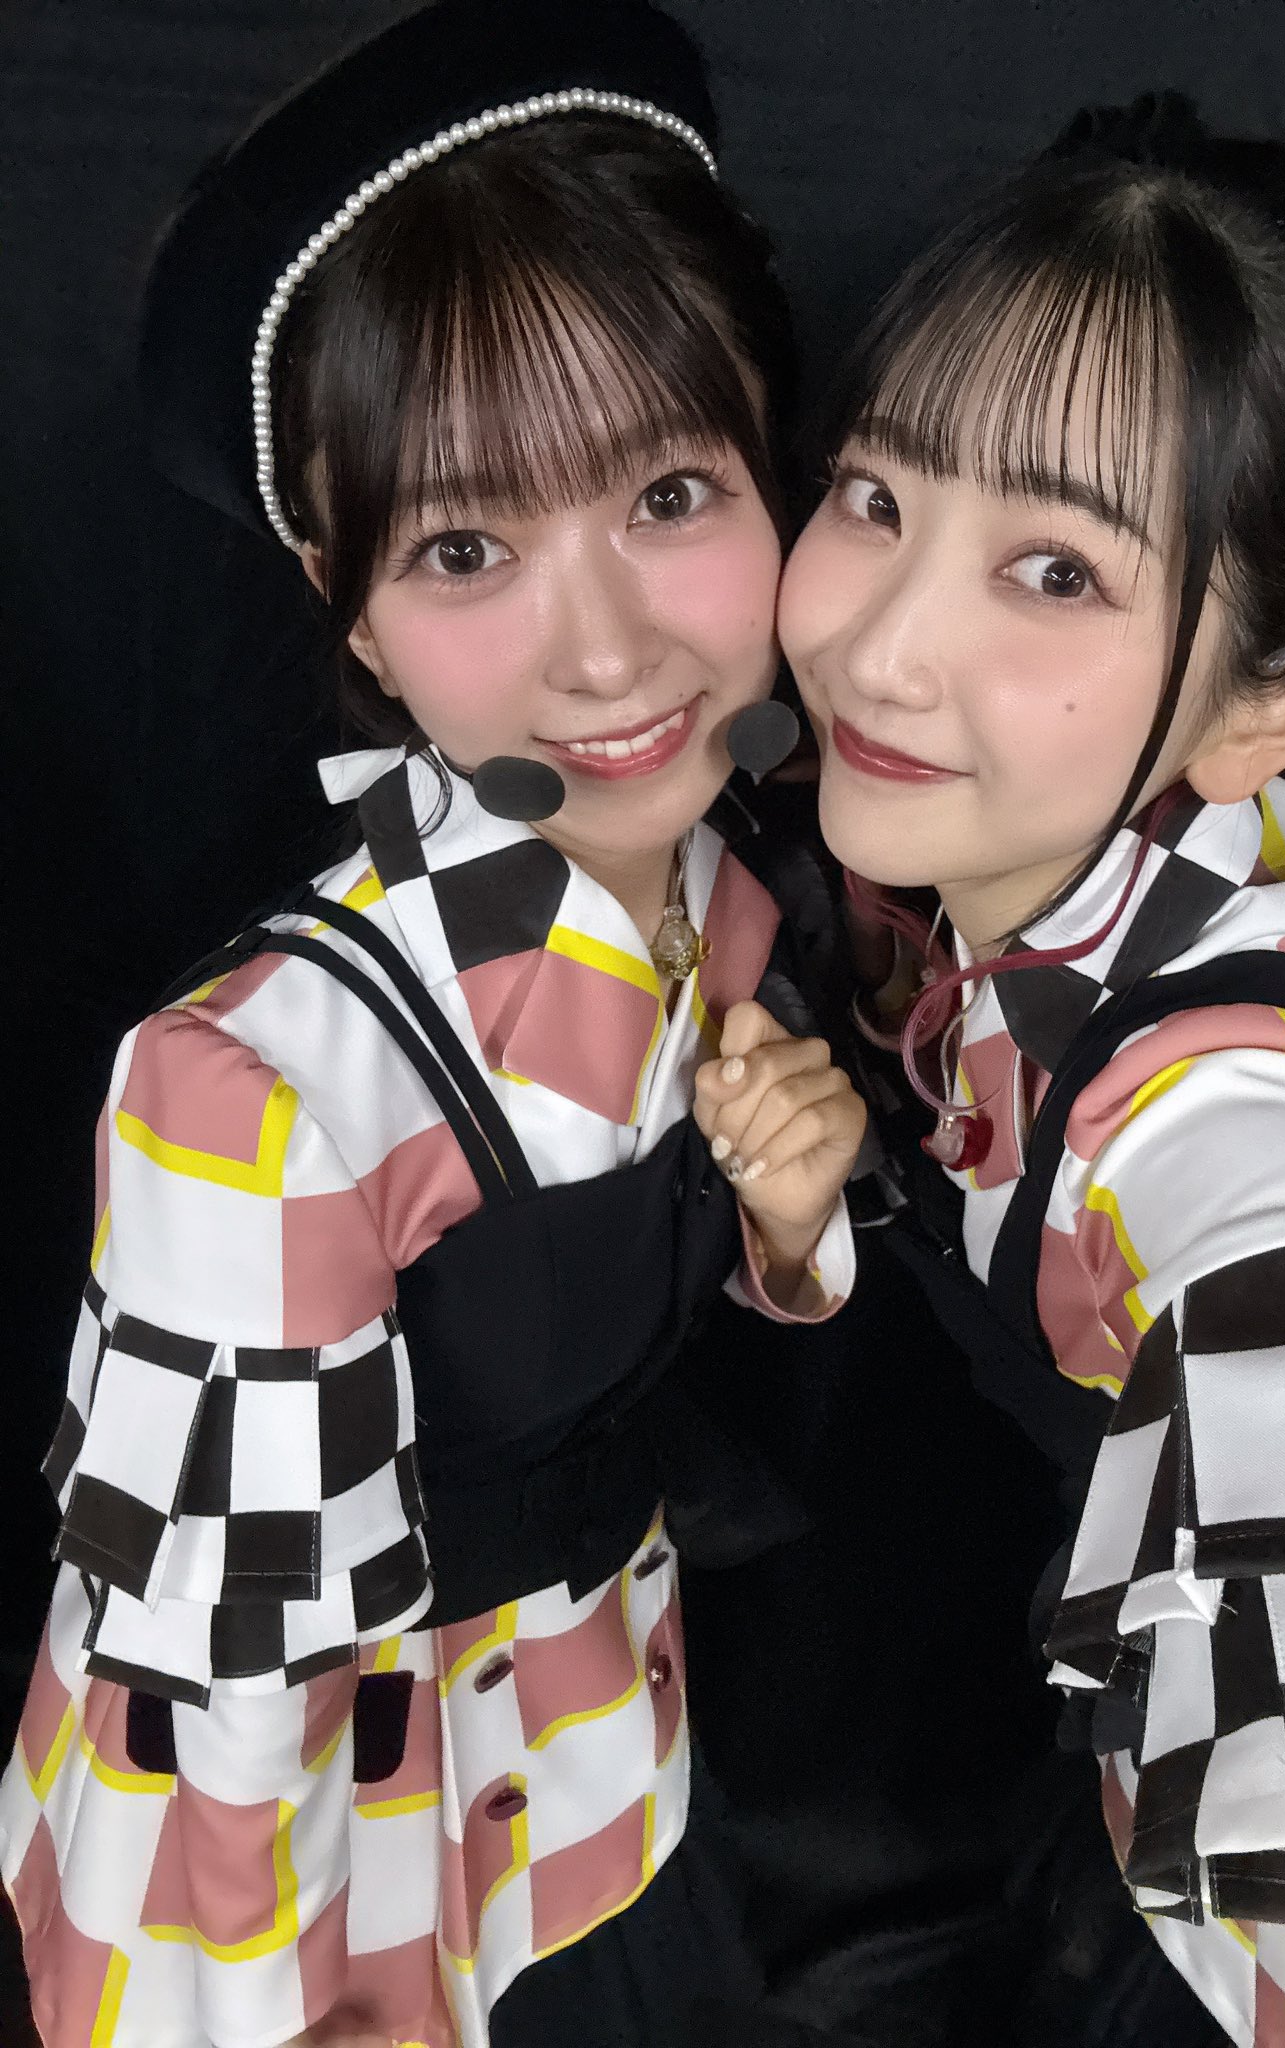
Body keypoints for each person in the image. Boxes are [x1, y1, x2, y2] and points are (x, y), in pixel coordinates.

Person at [0, 5, 866, 2044]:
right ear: (354, 605)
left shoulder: (735, 887)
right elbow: (203, 1698)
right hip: (368, 1892)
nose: (610, 650)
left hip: (618, 1764)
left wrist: (796, 1220)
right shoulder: (262, 1090)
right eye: (469, 548)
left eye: (671, 492)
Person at [778, 90, 1285, 2045]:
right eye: (874, 495)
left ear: (1278, 703)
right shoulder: (963, 823)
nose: (878, 649)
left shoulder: (1230, 1109)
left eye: (1056, 572)